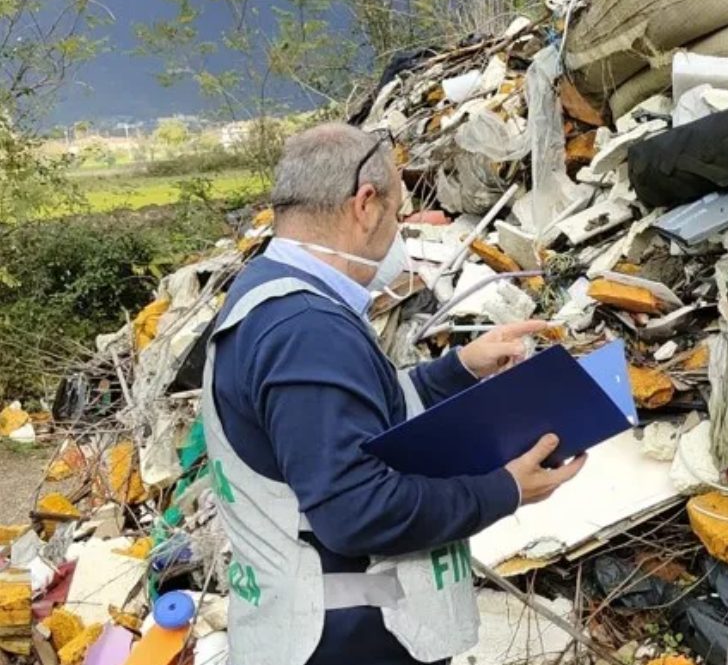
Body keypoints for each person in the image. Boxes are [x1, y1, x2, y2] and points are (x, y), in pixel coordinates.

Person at [204, 123, 587, 665]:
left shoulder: (270, 294)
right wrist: (503, 490)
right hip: (347, 643)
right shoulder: (305, 330)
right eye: (399, 214)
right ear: (365, 204)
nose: (400, 233)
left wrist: (457, 370)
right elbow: (355, 511)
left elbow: (351, 421)